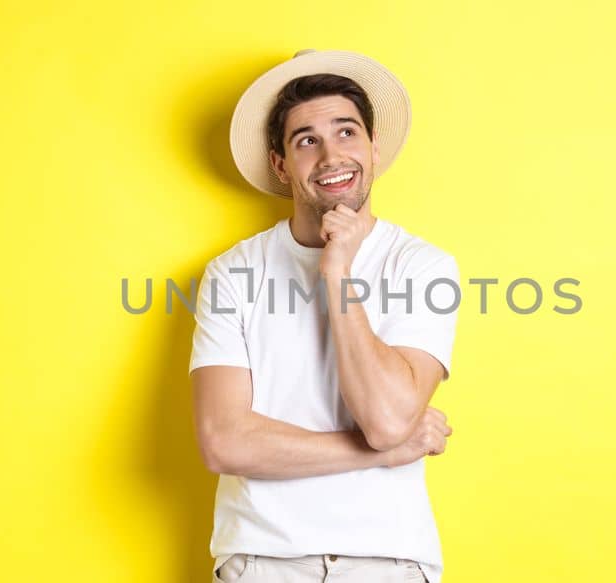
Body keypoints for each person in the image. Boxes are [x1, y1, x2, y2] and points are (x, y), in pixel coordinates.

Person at [190, 49, 459, 583]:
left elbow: (385, 420)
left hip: (389, 561)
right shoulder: (231, 272)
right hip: (264, 562)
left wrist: (337, 272)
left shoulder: (423, 265)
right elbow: (223, 441)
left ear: (374, 148)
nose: (332, 155)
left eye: (346, 132)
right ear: (280, 163)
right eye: (306, 140)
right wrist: (381, 453)